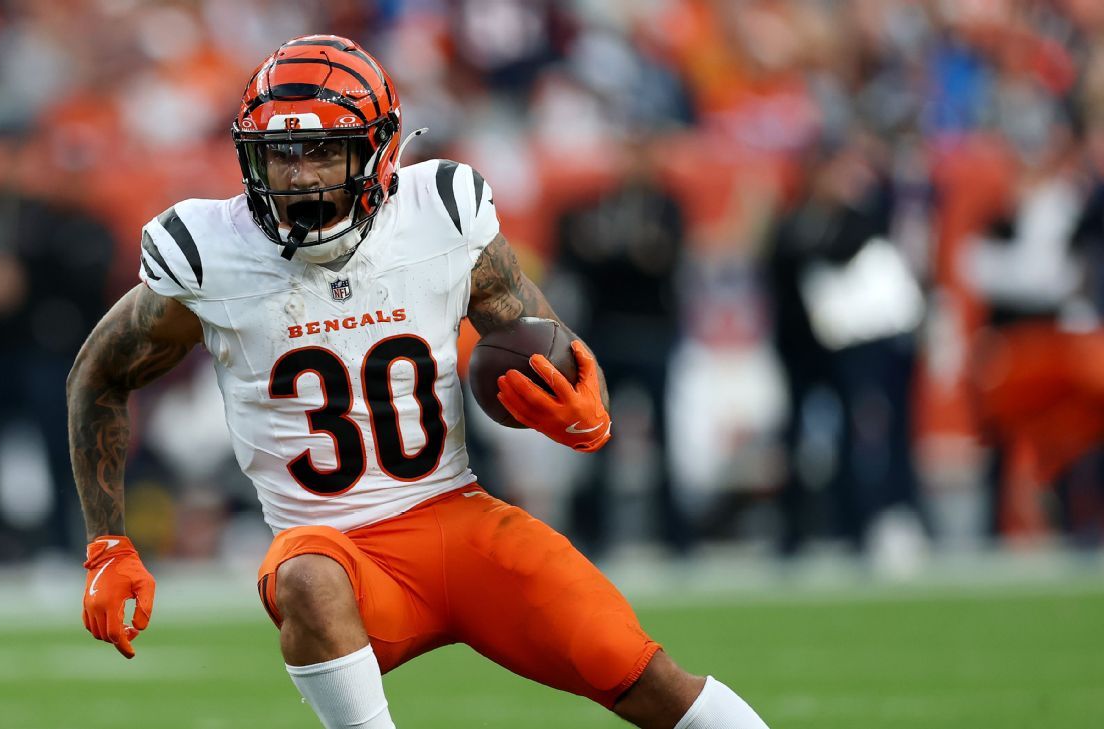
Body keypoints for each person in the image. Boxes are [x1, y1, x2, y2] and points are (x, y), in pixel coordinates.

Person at [67, 35, 770, 729]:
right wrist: (108, 545)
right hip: (337, 557)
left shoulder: (441, 212)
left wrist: (585, 409)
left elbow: (550, 345)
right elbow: (98, 374)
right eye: (281, 152)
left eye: (323, 150)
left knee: (645, 676)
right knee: (305, 574)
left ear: (377, 149)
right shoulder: (213, 252)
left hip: (460, 521)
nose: (300, 177)